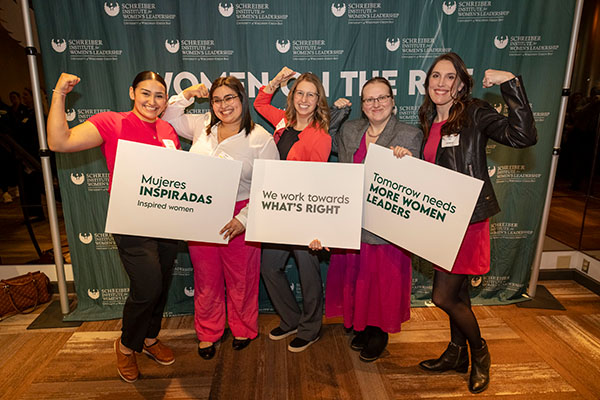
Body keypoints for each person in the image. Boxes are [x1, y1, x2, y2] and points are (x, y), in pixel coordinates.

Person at [47, 71, 180, 383]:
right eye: (146, 93)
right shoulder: (112, 122)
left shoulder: (168, 130)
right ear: (132, 92)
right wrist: (59, 94)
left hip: (167, 221)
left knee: (159, 285)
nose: (152, 101)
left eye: (159, 95)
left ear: (165, 101)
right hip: (130, 220)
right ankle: (125, 346)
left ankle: (149, 338)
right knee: (147, 286)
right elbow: (59, 141)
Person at [416, 52, 537, 394]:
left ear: (462, 83)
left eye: (449, 77)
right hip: (440, 222)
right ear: (427, 83)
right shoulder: (428, 119)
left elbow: (523, 137)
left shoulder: (475, 112)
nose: (441, 83)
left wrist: (510, 83)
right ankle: (456, 354)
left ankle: (480, 354)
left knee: (442, 296)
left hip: (468, 221)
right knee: (459, 294)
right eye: (435, 76)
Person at [162, 76, 280, 360]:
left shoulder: (260, 139)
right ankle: (208, 332)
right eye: (217, 99)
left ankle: (242, 327)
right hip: (202, 212)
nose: (223, 105)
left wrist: (244, 219)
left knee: (242, 278)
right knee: (206, 277)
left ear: (242, 99)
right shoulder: (201, 126)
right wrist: (188, 92)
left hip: (241, 214)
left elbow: (270, 186)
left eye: (230, 98)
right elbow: (167, 116)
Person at [322, 77, 422, 362]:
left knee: (382, 282)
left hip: (386, 229)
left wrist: (408, 161)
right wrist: (339, 113)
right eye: (369, 99)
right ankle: (362, 326)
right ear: (362, 105)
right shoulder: (351, 129)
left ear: (392, 102)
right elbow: (322, 138)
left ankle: (379, 332)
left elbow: (417, 181)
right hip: (352, 222)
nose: (375, 104)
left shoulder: (409, 135)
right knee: (358, 279)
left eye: (381, 98)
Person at [254, 67, 331, 352]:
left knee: (308, 273)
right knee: (270, 267)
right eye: (300, 92)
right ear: (293, 94)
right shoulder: (283, 120)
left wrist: (315, 226)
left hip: (304, 212)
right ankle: (292, 319)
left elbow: (317, 181)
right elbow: (260, 104)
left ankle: (311, 328)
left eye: (311, 95)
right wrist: (276, 80)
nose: (304, 99)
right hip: (278, 210)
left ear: (318, 100)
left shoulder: (320, 136)